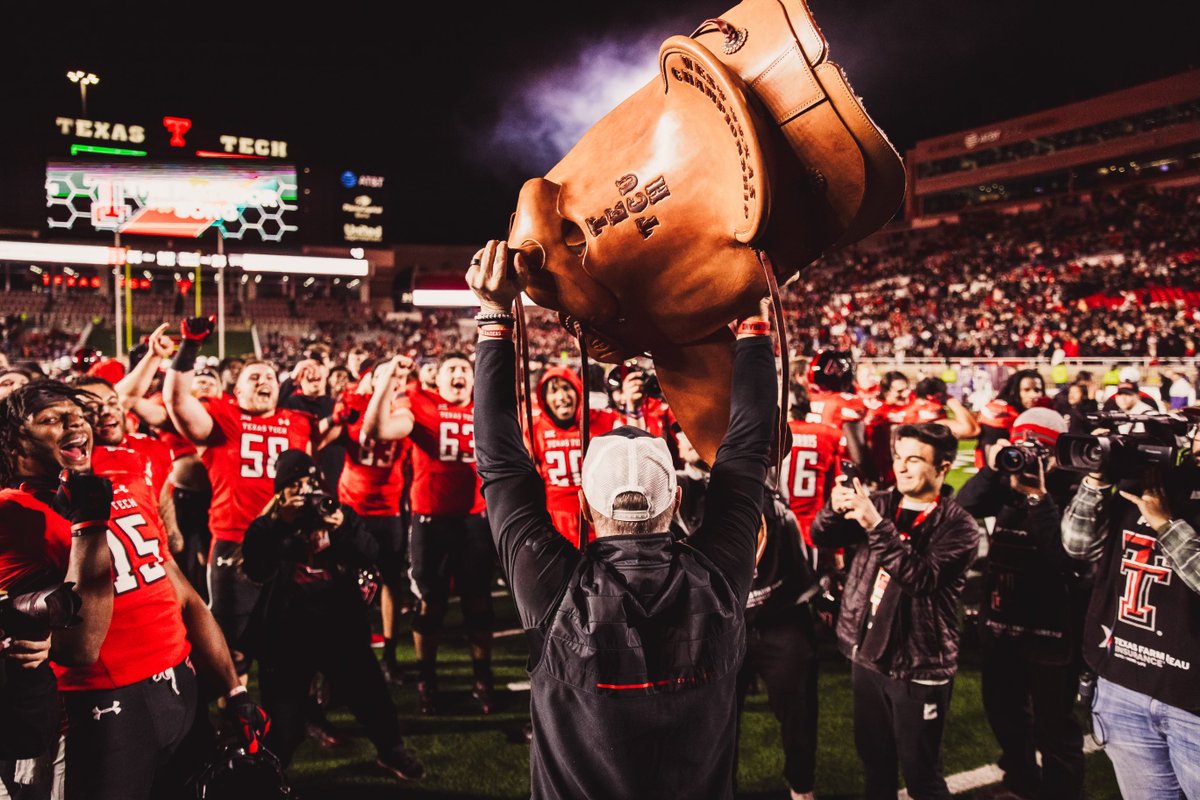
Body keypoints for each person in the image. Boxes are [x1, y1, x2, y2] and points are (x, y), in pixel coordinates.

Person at [467, 239, 775, 799]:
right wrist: (751, 321)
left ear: (584, 506)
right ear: (677, 501)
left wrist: (495, 317)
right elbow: (751, 446)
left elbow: (499, 463)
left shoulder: (556, 593)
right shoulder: (720, 580)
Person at [54, 379, 265, 800]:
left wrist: (234, 688)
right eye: (67, 416)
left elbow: (182, 592)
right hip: (104, 697)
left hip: (176, 680)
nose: (86, 421)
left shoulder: (129, 467)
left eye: (110, 403)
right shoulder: (20, 506)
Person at [812, 422, 980, 800]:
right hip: (867, 656)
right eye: (899, 458)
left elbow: (920, 577)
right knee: (876, 766)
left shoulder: (960, 527)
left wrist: (873, 522)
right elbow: (823, 535)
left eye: (915, 460)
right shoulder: (884, 502)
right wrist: (835, 510)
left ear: (943, 467)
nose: (902, 467)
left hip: (918, 664)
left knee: (923, 777)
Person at [241, 450, 424, 780]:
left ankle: (391, 750)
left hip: (339, 624)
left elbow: (373, 554)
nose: (305, 492)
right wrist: (280, 525)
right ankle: (273, 770)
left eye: (309, 483)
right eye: (295, 485)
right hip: (288, 632)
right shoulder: (267, 525)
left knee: (370, 695)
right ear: (281, 491)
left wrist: (341, 529)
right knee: (283, 719)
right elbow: (256, 566)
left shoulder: (338, 514)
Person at [163, 317, 319, 677]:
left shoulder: (297, 421)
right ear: (236, 391)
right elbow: (176, 399)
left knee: (290, 637)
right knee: (232, 644)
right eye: (254, 377)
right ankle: (236, 720)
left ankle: (294, 715)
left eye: (269, 376)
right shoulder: (223, 416)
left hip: (287, 541)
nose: (264, 381)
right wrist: (190, 345)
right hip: (236, 542)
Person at [1060, 409, 1200, 799]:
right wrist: (1095, 479)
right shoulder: (1137, 482)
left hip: (1193, 699)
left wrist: (1164, 523)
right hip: (1124, 684)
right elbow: (1077, 545)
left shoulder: (1156, 501)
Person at [956, 408, 1087, 800]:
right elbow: (962, 508)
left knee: (1055, 728)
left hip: (1053, 631)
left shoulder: (1072, 490)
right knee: (1004, 714)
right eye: (1023, 446)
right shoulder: (1002, 484)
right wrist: (993, 469)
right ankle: (1021, 783)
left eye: (1040, 449)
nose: (1031, 457)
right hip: (1002, 622)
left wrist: (1039, 498)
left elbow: (1062, 557)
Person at [360, 352, 494, 715]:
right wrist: (387, 379)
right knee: (430, 603)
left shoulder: (487, 406)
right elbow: (375, 430)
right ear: (439, 379)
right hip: (431, 522)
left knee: (479, 604)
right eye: (452, 368)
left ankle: (482, 678)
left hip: (476, 521)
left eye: (465, 368)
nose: (458, 374)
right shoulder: (421, 404)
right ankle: (427, 678)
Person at [0, 383, 115, 800]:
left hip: (135, 689)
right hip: (46, 713)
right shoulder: (14, 508)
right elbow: (79, 639)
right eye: (51, 419)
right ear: (14, 445)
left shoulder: (104, 483)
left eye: (76, 413)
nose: (73, 422)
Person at [336, 363, 412, 685]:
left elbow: (382, 428)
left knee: (391, 584)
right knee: (345, 586)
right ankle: (347, 656)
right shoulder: (350, 401)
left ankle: (389, 655)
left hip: (389, 510)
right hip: (352, 509)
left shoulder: (404, 408)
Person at [529, 365, 617, 547]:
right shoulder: (535, 429)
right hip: (556, 520)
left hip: (597, 516)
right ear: (544, 398)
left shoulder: (601, 420)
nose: (562, 396)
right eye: (554, 390)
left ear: (578, 390)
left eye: (567, 388)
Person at [977, 369, 1048, 467]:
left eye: (1037, 390)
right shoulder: (1000, 414)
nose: (1033, 395)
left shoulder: (1043, 413)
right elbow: (990, 460)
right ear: (1014, 391)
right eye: (1026, 390)